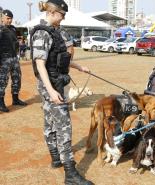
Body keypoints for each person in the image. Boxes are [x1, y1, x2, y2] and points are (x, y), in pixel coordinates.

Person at [30, 0, 93, 184]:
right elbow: (40, 64)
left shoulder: (54, 32)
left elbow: (59, 59)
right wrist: (50, 91)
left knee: (50, 122)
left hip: (54, 82)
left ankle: (56, 158)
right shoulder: (42, 33)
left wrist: (79, 66)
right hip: (51, 85)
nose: (63, 18)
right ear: (51, 12)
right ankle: (71, 174)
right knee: (64, 126)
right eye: (61, 15)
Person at [0, 9, 27, 112]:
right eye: (7, 18)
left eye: (11, 19)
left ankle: (15, 99)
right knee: (2, 81)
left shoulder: (13, 29)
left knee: (17, 78)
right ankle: (1, 103)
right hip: (4, 59)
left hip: (14, 58)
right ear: (2, 18)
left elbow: (17, 41)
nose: (9, 21)